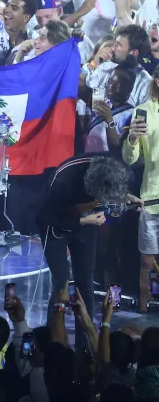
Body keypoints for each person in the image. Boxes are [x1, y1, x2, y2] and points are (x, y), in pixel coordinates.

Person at [36, 155, 135, 324]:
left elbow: (111, 193)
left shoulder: (123, 171)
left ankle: (86, 335)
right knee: (61, 282)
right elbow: (42, 215)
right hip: (55, 223)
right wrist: (82, 221)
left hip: (87, 222)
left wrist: (124, 197)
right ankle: (53, 334)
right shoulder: (63, 180)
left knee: (85, 283)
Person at [124, 79, 159, 314]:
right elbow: (130, 158)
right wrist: (133, 139)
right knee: (147, 261)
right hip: (152, 198)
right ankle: (144, 313)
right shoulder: (143, 111)